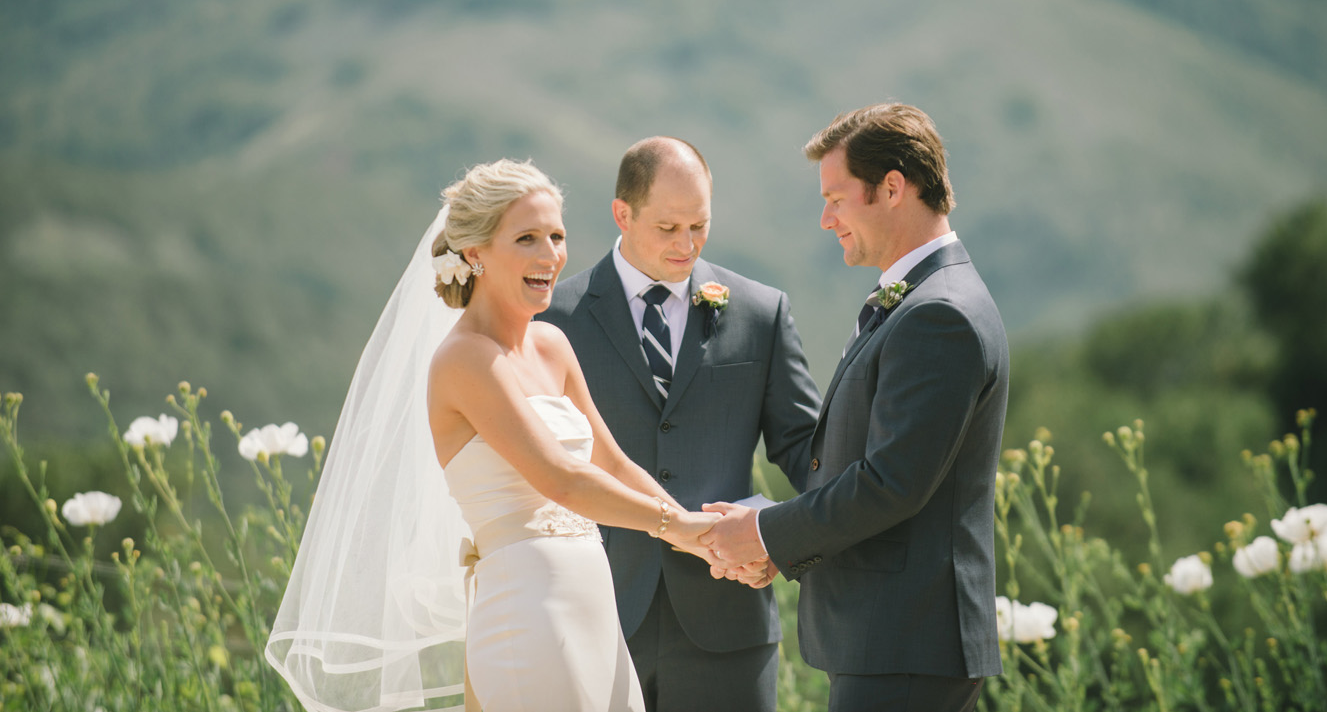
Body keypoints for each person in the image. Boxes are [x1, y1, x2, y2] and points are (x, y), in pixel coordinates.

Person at [267, 159, 718, 712]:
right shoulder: (463, 359)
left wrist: (703, 536)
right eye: (527, 238)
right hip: (527, 613)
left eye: (557, 236)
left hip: (592, 605)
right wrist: (680, 527)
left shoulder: (552, 345)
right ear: (475, 252)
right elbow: (564, 479)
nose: (550, 255)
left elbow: (613, 463)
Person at [702, 103, 1009, 712]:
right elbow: (851, 461)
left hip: (905, 643)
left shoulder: (937, 314)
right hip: (895, 643)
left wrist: (764, 533)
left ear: (892, 188)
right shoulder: (920, 299)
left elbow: (891, 483)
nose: (825, 219)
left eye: (837, 199)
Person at [536, 137, 821, 712]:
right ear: (623, 213)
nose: (686, 245)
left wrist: (778, 530)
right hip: (594, 612)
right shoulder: (552, 318)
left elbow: (806, 452)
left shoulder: (761, 313)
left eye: (700, 226)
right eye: (668, 228)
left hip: (729, 621)